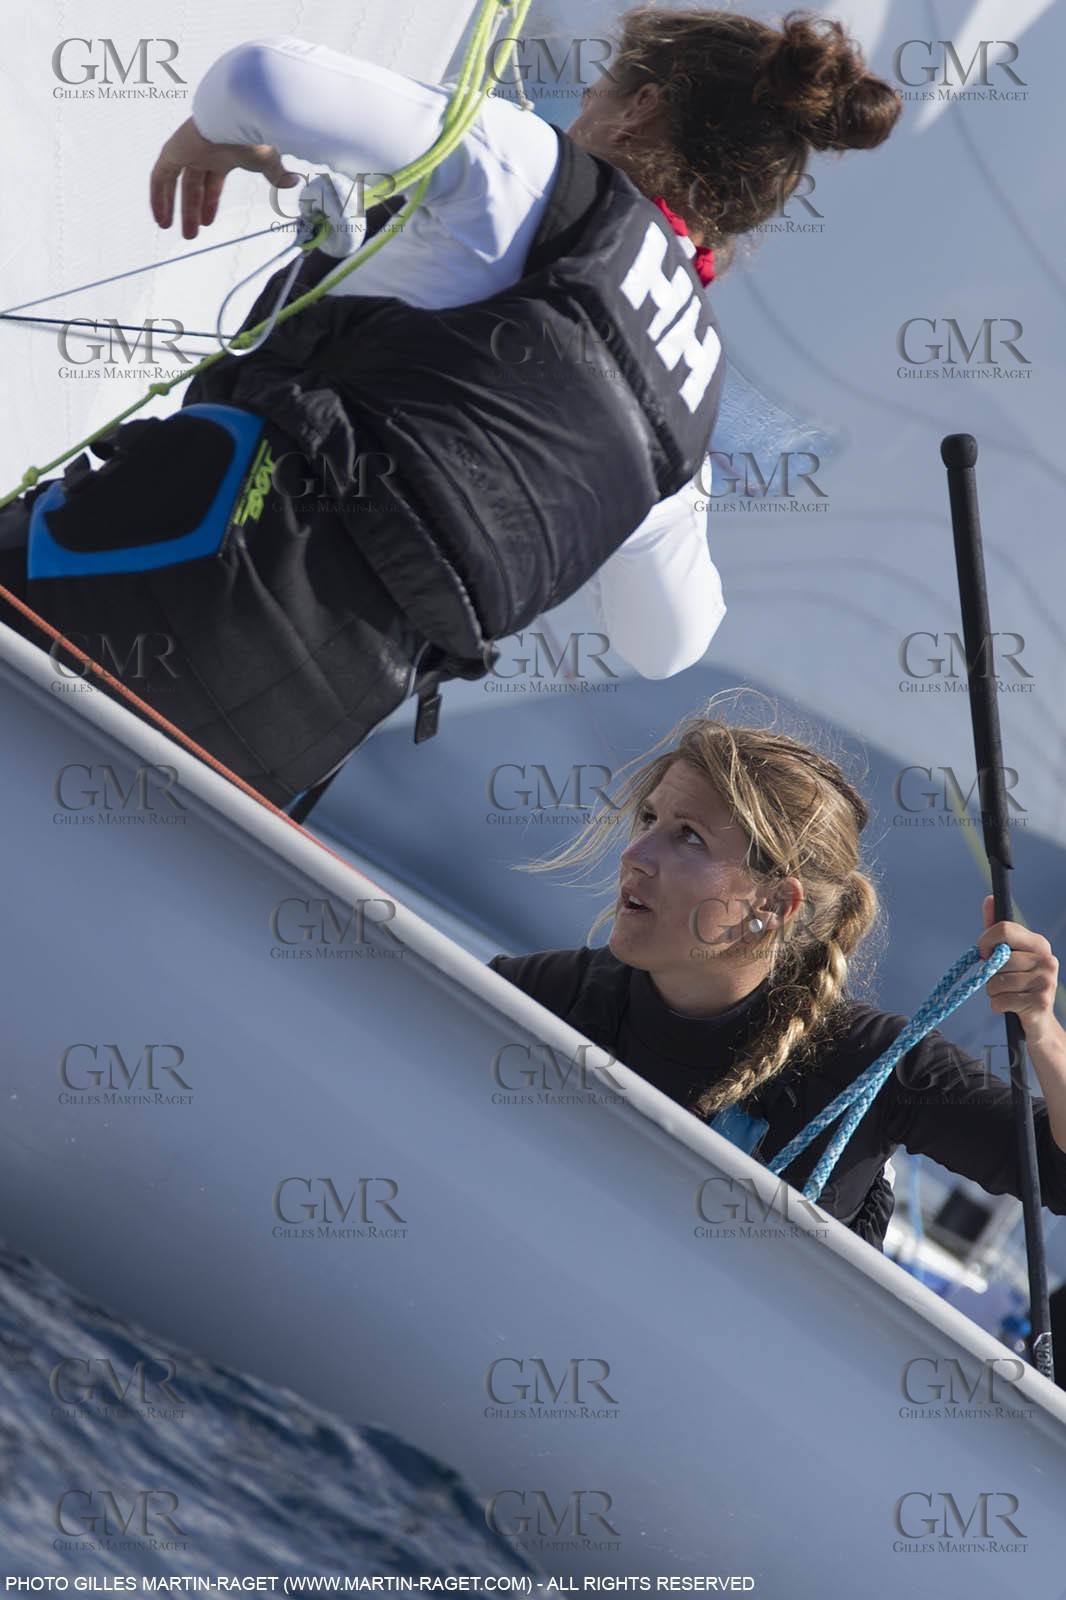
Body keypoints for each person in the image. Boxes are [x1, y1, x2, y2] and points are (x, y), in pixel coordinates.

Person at [0, 11, 901, 809]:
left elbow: (259, 78)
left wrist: (207, 135)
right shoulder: (691, 408)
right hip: (263, 746)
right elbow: (669, 644)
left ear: (641, 110)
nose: (579, 111)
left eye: (597, 91)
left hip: (126, 582)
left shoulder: (542, 178)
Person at [489, 714, 1066, 1251]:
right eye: (648, 819)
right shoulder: (548, 996)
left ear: (773, 904)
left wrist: (1041, 1029)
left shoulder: (872, 1065)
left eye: (688, 836)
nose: (636, 854)